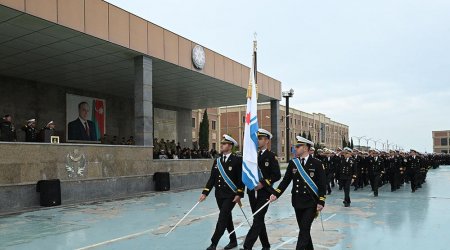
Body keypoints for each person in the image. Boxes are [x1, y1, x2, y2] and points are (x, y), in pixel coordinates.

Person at [270, 136, 326, 250]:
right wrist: (276, 193)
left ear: (305, 148)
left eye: (298, 146)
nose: (295, 148)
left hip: (311, 202)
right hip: (297, 202)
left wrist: (321, 200)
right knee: (303, 230)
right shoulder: (293, 163)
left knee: (304, 229)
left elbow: (322, 184)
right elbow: (285, 181)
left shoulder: (317, 163)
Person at [199, 135, 244, 250]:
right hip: (219, 195)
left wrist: (239, 194)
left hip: (231, 195)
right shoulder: (217, 161)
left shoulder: (237, 160)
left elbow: (241, 179)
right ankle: (233, 241)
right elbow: (212, 179)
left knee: (222, 217)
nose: (222, 146)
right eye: (222, 143)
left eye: (224, 144)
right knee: (227, 217)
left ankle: (214, 243)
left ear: (230, 146)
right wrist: (205, 192)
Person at [241, 129, 281, 250]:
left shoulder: (271, 156)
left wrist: (263, 183)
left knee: (258, 218)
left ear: (267, 140)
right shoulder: (253, 155)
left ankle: (247, 246)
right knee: (258, 219)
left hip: (265, 192)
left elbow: (277, 175)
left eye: (260, 139)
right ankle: (266, 245)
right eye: (257, 139)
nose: (257, 141)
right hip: (252, 192)